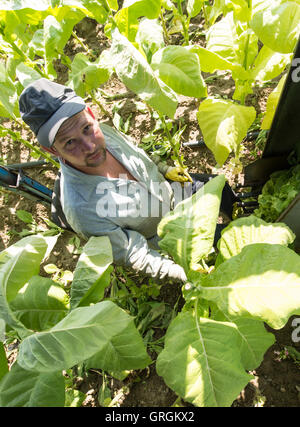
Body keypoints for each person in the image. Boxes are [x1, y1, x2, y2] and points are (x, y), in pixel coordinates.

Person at [19, 78, 237, 283]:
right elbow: (135, 254)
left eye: (87, 129)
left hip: (172, 192)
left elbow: (137, 152)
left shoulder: (103, 131)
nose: (90, 146)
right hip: (167, 236)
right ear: (51, 149)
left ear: (91, 115)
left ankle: (237, 214)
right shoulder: (82, 209)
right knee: (229, 240)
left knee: (222, 188)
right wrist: (182, 272)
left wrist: (164, 168)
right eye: (69, 143)